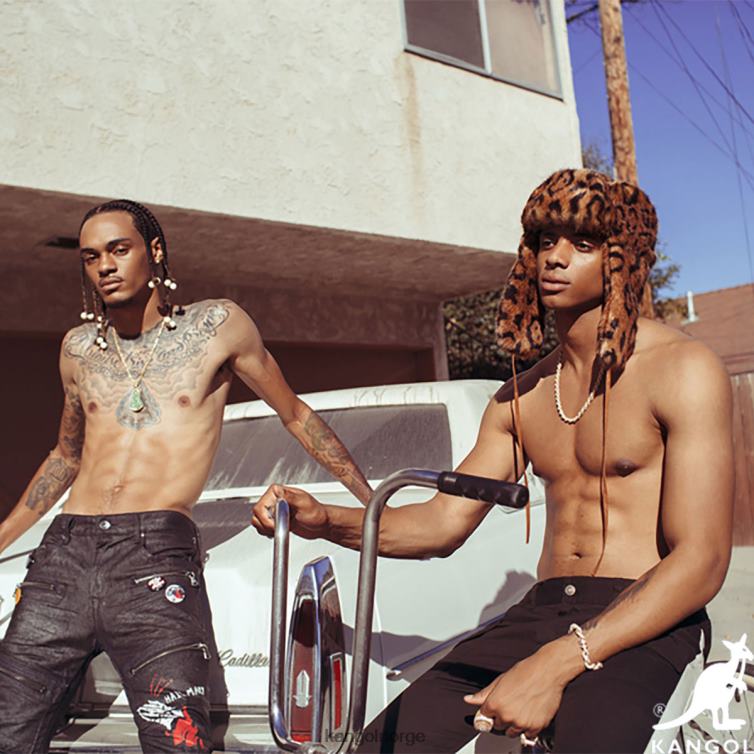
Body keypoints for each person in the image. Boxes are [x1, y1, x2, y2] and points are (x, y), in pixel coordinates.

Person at [252, 169, 735, 753]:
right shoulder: (521, 397)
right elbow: (440, 525)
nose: (555, 258)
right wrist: (323, 520)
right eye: (545, 241)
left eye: (583, 244)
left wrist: (562, 660)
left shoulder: (682, 370)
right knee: (384, 744)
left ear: (622, 259)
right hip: (544, 610)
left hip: (646, 619)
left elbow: (701, 560)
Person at [0, 199, 372, 753]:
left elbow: (295, 414)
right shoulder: (77, 350)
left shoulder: (216, 326)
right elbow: (65, 456)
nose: (105, 266)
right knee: (7, 731)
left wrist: (373, 503)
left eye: (118, 250)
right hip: (64, 554)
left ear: (154, 251)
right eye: (91, 257)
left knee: (180, 741)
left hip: (153, 556)